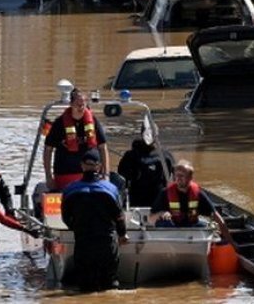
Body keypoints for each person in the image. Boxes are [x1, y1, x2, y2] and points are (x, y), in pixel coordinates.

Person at [61, 149, 127, 292]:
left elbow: (65, 218)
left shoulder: (70, 190)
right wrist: (122, 234)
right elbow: (119, 216)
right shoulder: (111, 189)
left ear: (82, 166)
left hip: (83, 242)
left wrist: (76, 228)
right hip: (106, 243)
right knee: (110, 286)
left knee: (86, 288)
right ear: (99, 166)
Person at [43, 88, 109, 190]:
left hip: (91, 175)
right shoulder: (59, 123)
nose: (81, 107)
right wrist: (48, 177)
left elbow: (103, 147)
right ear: (71, 104)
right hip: (65, 174)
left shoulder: (93, 121)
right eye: (78, 104)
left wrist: (106, 174)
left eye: (83, 104)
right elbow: (48, 149)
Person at [149, 159, 226, 231]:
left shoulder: (198, 193)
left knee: (208, 228)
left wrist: (231, 241)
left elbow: (216, 217)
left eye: (182, 175)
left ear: (190, 177)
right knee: (164, 224)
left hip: (191, 226)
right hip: (171, 228)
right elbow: (151, 218)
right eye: (176, 175)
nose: (178, 178)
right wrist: (162, 213)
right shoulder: (165, 193)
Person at [117, 138, 174, 207]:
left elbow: (173, 178)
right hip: (136, 200)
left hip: (158, 199)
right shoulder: (131, 155)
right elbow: (122, 174)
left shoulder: (165, 156)